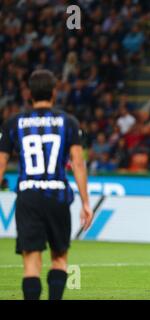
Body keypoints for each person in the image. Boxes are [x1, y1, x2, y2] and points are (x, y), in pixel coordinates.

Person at [0, 69, 93, 300]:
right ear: (54, 92)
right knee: (59, 259)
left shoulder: (14, 123)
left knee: (31, 264)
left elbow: (1, 162)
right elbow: (78, 164)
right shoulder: (68, 122)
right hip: (58, 196)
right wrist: (86, 203)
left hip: (28, 196)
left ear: (29, 93)